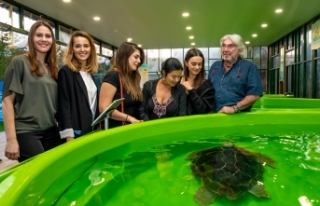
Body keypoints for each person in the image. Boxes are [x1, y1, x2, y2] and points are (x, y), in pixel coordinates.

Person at [2, 20, 61, 162]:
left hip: (51, 130)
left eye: (48, 36)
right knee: (40, 174)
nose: (43, 39)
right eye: (39, 35)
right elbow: (7, 101)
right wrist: (11, 140)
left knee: (54, 173)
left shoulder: (53, 67)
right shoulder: (20, 62)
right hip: (26, 131)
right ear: (31, 38)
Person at [57, 30, 99, 142]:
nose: (82, 50)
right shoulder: (66, 72)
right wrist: (68, 135)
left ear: (91, 49)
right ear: (72, 49)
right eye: (78, 46)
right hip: (75, 133)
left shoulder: (91, 74)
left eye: (86, 46)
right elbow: (63, 105)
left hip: (91, 129)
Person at [208, 34, 263, 114]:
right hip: (214, 116)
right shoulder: (215, 67)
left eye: (230, 46)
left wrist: (235, 108)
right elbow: (208, 91)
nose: (225, 49)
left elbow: (255, 94)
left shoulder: (249, 67)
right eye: (223, 46)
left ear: (240, 50)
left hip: (238, 117)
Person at [99, 42, 144, 128]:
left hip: (130, 129)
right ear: (125, 56)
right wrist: (129, 118)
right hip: (115, 131)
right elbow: (103, 108)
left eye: (140, 58)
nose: (139, 61)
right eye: (136, 57)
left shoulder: (133, 78)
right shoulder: (113, 76)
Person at [181, 48, 215, 114]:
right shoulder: (178, 82)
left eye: (199, 64)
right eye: (193, 64)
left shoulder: (207, 86)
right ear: (186, 63)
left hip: (198, 123)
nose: (197, 67)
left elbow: (203, 110)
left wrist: (191, 90)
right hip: (179, 122)